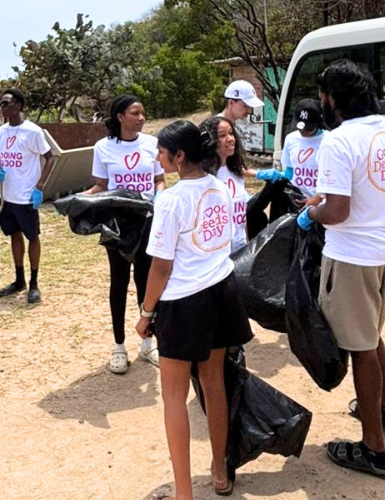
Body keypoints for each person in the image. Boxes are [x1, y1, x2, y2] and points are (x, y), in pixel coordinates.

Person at [296, 60, 385, 479]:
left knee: (361, 348)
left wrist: (311, 214)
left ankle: (374, 450)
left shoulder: (339, 140)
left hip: (351, 256)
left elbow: (338, 211)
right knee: (370, 335)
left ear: (333, 99)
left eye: (323, 96)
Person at [137, 120, 254, 499]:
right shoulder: (218, 186)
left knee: (174, 397)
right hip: (221, 291)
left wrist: (146, 313)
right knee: (213, 383)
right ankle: (220, 469)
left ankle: (184, 493)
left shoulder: (171, 200)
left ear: (179, 156)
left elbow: (161, 267)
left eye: (161, 152)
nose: (157, 158)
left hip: (184, 303)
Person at [82, 95, 165, 373]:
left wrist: (159, 199)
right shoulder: (103, 147)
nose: (141, 118)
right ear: (120, 116)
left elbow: (159, 180)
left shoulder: (151, 144)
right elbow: (100, 185)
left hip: (146, 222)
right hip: (116, 224)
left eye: (143, 113)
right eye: (135, 113)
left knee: (146, 281)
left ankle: (147, 343)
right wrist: (79, 200)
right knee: (118, 282)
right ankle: (118, 347)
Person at [0, 88, 55, 304]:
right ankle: (19, 279)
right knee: (14, 234)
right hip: (5, 194)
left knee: (33, 236)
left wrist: (40, 186)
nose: (3, 107)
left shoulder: (33, 131)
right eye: (1, 104)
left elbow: (50, 158)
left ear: (18, 105)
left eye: (6, 103)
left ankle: (34, 283)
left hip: (25, 195)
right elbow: (2, 158)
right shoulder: (0, 132)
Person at [259, 99, 327, 206]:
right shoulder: (291, 139)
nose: (303, 131)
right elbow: (290, 172)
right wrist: (277, 175)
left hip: (320, 203)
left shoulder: (328, 140)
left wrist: (318, 197)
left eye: (308, 128)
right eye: (301, 127)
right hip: (296, 200)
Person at [200, 115, 249, 252]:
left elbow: (243, 216)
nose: (230, 139)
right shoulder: (205, 177)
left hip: (239, 248)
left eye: (231, 133)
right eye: (222, 135)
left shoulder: (236, 172)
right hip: (217, 253)